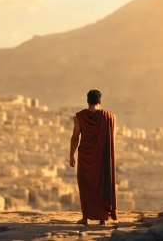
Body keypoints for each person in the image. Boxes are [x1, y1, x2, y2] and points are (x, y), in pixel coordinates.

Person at [69, 89, 117, 225]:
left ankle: (85, 218)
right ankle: (103, 218)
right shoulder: (110, 117)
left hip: (85, 157)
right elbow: (111, 139)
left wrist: (71, 156)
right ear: (100, 101)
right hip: (102, 157)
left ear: (87, 101)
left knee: (86, 186)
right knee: (102, 184)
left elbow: (75, 137)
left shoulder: (79, 117)